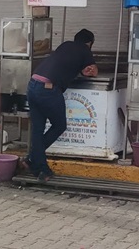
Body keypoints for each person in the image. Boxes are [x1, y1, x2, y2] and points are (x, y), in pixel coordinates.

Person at [23, 28, 98, 181]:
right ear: (89, 43)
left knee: (37, 129)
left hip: (33, 84)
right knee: (59, 125)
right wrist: (91, 69)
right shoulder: (85, 50)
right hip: (48, 89)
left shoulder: (65, 45)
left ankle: (35, 163)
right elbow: (92, 71)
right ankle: (39, 166)